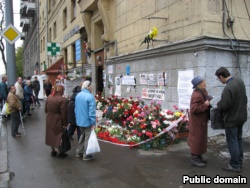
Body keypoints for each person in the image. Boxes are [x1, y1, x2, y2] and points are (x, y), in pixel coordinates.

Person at [215, 67, 247, 172]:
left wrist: (218, 104)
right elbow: (245, 98)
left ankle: (234, 165)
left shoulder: (228, 88)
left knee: (232, 141)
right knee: (238, 140)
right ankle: (239, 161)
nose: (219, 81)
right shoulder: (239, 82)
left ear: (221, 76)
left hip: (231, 120)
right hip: (241, 117)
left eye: (218, 79)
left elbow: (224, 105)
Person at [188, 75, 211, 167]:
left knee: (201, 139)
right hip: (197, 121)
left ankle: (199, 156)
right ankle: (195, 158)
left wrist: (208, 100)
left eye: (204, 81)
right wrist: (205, 105)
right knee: (197, 139)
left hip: (201, 120)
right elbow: (194, 109)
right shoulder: (196, 95)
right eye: (202, 82)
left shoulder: (202, 91)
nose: (204, 83)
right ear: (197, 85)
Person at [45, 84, 68, 158]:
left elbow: (46, 109)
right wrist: (65, 123)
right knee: (59, 135)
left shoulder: (49, 97)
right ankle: (60, 151)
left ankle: (53, 150)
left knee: (50, 134)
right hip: (58, 119)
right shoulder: (62, 99)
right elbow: (64, 113)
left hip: (49, 118)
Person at [75, 80, 96, 160]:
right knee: (87, 137)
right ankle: (86, 154)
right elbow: (91, 111)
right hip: (87, 120)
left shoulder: (78, 95)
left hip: (80, 120)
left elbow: (76, 109)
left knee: (82, 136)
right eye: (91, 86)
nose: (92, 88)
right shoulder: (90, 96)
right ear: (88, 87)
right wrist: (93, 122)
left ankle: (79, 151)